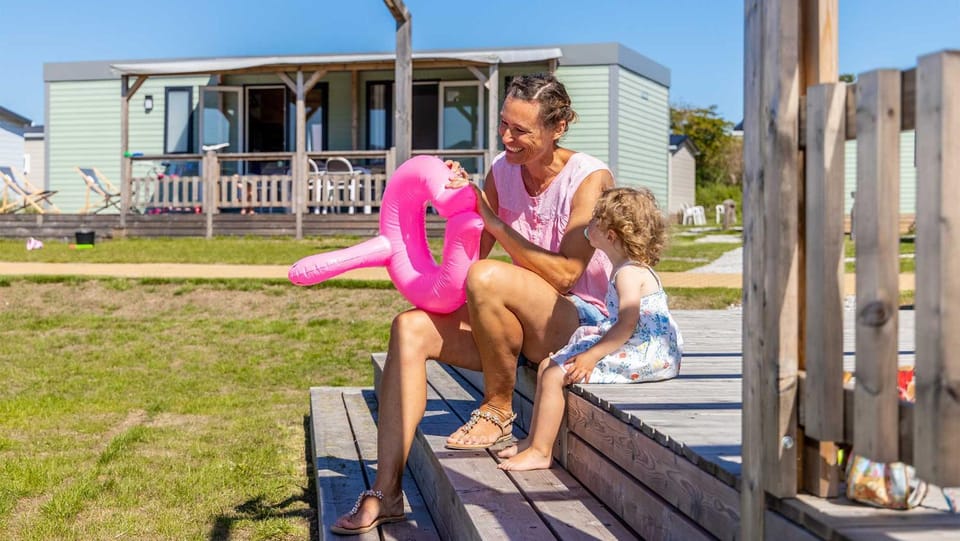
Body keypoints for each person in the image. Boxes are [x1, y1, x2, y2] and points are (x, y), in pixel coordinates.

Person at [331, 73, 615, 535]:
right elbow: (468, 267)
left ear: (558, 126)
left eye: (520, 130)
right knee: (409, 328)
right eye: (503, 124)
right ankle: (386, 492)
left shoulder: (589, 178)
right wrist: (459, 207)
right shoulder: (503, 171)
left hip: (576, 323)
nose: (507, 138)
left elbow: (567, 273)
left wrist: (494, 222)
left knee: (488, 277)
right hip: (517, 323)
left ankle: (499, 410)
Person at [497, 187, 683, 472]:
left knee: (557, 373)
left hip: (646, 354)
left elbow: (627, 323)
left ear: (611, 236)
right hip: (633, 342)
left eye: (595, 219)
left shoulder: (629, 274)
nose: (589, 223)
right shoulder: (625, 268)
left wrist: (592, 355)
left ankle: (541, 451)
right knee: (548, 363)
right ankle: (532, 440)